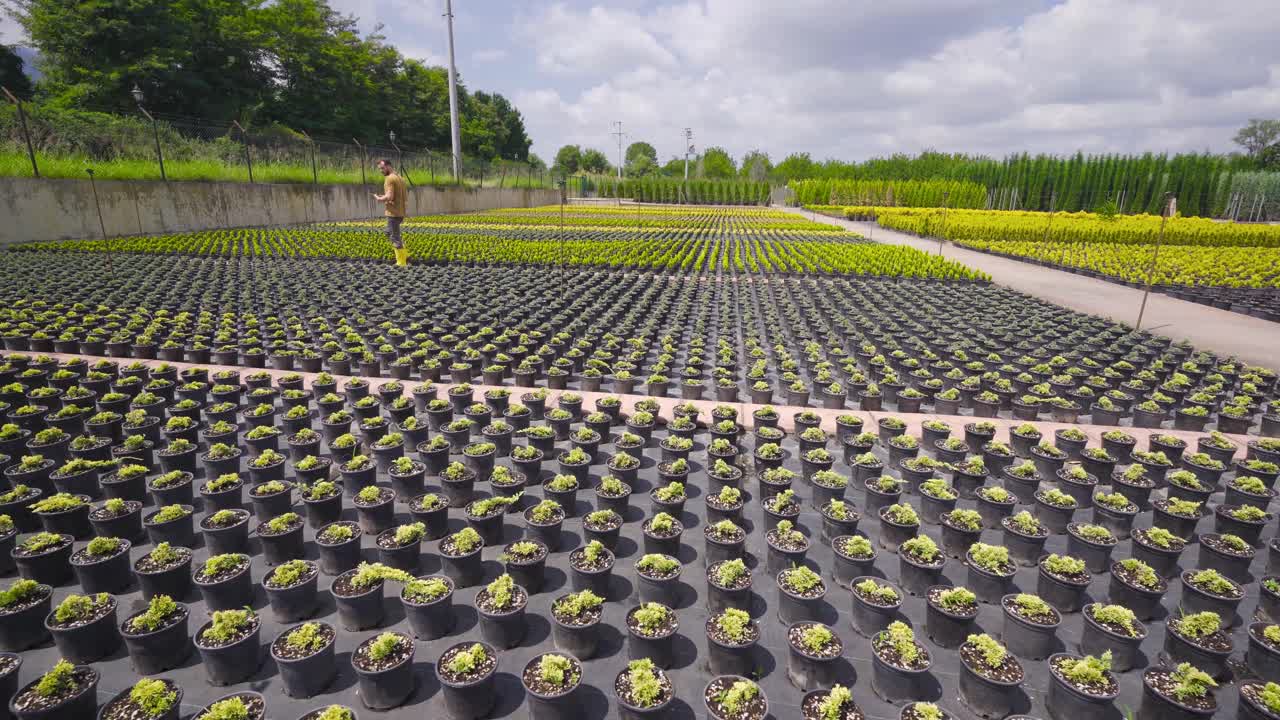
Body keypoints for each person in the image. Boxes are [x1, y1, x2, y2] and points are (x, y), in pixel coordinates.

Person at [373, 159, 409, 265]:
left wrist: (379, 199)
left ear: (389, 166)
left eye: (382, 168)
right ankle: (405, 255)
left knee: (394, 236)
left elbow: (390, 196)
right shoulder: (400, 178)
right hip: (400, 211)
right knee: (389, 232)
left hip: (393, 213)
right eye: (379, 169)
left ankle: (401, 262)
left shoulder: (389, 179)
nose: (381, 170)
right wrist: (384, 196)